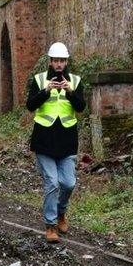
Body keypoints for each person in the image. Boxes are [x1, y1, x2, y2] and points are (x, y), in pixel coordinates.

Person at [25, 42, 86, 244]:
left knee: (68, 183)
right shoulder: (39, 79)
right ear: (50, 62)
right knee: (52, 182)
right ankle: (50, 226)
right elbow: (30, 106)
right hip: (44, 140)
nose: (59, 64)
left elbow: (81, 107)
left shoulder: (76, 81)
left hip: (67, 141)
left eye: (62, 60)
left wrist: (69, 91)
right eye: (56, 60)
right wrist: (46, 91)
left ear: (66, 61)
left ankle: (61, 214)